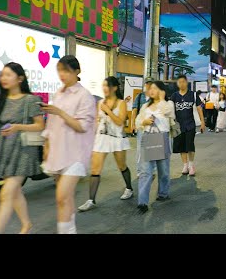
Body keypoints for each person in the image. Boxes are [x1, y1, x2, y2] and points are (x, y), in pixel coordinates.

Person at [0, 62, 44, 234]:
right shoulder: (0, 101)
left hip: (23, 152)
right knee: (15, 192)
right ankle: (26, 224)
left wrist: (18, 127)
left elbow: (40, 125)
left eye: (8, 74)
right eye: (2, 74)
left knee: (6, 194)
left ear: (19, 79)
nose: (3, 78)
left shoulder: (31, 100)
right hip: (4, 151)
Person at [41, 55, 97, 234]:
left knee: (62, 196)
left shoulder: (85, 96)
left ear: (77, 71)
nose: (62, 75)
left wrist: (59, 111)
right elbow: (51, 123)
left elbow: (81, 126)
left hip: (76, 154)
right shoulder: (59, 93)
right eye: (59, 70)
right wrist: (47, 144)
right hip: (58, 151)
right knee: (66, 199)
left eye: (66, 70)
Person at [78, 77, 132, 212]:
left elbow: (120, 122)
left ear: (114, 88)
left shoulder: (121, 103)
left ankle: (129, 188)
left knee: (122, 166)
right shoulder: (100, 103)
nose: (104, 88)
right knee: (95, 169)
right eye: (103, 86)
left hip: (117, 138)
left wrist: (107, 110)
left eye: (106, 86)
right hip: (101, 138)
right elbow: (96, 122)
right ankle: (91, 200)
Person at [135, 81, 175, 213]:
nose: (151, 90)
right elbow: (137, 122)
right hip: (148, 137)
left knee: (163, 170)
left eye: (154, 88)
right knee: (146, 171)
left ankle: (163, 193)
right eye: (150, 88)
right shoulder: (145, 106)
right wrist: (143, 122)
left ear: (161, 90)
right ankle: (142, 202)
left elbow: (169, 113)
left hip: (162, 137)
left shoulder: (168, 104)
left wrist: (162, 99)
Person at [170, 75, 206, 176]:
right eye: (179, 82)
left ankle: (191, 165)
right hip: (178, 126)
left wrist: (202, 122)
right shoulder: (174, 96)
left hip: (190, 124)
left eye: (183, 81)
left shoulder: (193, 95)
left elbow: (199, 109)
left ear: (187, 83)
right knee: (181, 147)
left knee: (190, 145)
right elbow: (170, 110)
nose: (181, 83)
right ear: (177, 84)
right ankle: (185, 165)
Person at [131, 77, 154, 178]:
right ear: (144, 85)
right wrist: (132, 124)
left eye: (150, 84)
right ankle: (140, 170)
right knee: (140, 150)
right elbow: (134, 110)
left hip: (153, 128)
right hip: (141, 127)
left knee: (151, 149)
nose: (148, 86)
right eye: (147, 84)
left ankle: (151, 171)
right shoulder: (139, 96)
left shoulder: (156, 97)